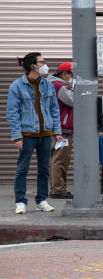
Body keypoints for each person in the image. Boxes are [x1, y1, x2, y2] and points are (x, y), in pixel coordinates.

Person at [6, 52, 61, 214]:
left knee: (44, 168)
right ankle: (20, 201)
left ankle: (42, 200)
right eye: (42, 62)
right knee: (22, 168)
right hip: (27, 134)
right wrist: (16, 135)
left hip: (45, 133)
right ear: (33, 65)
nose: (45, 65)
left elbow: (54, 110)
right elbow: (12, 112)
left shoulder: (48, 85)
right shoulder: (17, 86)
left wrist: (57, 131)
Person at [47, 62, 75, 199]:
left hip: (55, 128)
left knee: (54, 159)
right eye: (72, 75)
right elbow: (73, 101)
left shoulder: (50, 84)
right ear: (64, 73)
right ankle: (58, 190)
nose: (72, 78)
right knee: (60, 160)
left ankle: (57, 188)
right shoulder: (60, 86)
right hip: (62, 130)